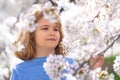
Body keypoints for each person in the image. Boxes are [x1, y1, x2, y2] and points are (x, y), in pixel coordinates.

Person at [10, 3, 104, 80]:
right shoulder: (19, 71)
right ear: (30, 34)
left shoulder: (70, 64)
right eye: (45, 28)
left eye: (56, 29)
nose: (52, 33)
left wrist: (96, 68)